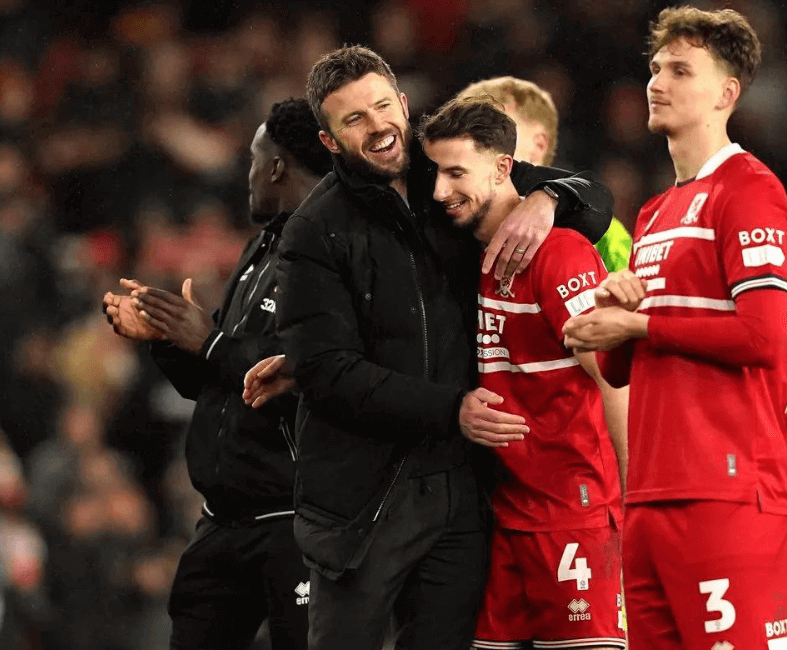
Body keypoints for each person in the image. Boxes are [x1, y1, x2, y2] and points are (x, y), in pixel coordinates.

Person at [268, 45, 613, 650]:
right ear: (329, 141)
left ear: (403, 103)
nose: (377, 127)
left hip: (465, 499)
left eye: (382, 106)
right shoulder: (313, 231)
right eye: (353, 119)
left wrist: (548, 200)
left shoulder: (452, 179)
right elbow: (328, 371)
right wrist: (450, 407)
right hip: (363, 503)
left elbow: (593, 195)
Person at [561, 7, 787, 650]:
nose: (656, 81)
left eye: (680, 70)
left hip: (726, 496)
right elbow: (625, 366)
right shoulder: (656, 211)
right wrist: (609, 324)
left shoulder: (749, 190)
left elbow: (763, 337)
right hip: (650, 497)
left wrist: (638, 323)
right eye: (656, 68)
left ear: (727, 93)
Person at [101, 98, 332, 650]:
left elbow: (301, 377)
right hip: (223, 520)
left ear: (277, 166)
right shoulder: (261, 247)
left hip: (293, 523)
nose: (247, 175)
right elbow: (218, 375)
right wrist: (168, 341)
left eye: (255, 159)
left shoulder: (332, 250)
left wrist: (207, 339)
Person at [420, 96, 627, 650]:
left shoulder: (559, 252)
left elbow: (612, 376)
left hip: (575, 515)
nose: (440, 192)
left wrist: (635, 503)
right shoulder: (475, 255)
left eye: (456, 173)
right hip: (507, 515)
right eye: (436, 173)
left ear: (503, 167)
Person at [457, 76, 631, 463]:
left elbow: (622, 370)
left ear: (535, 144)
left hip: (575, 473)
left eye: (492, 129)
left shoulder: (599, 235)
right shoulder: (465, 224)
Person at [456, 76, 633, 274]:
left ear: (539, 145)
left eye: (499, 130)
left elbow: (636, 300)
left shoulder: (607, 237)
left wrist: (548, 197)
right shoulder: (454, 217)